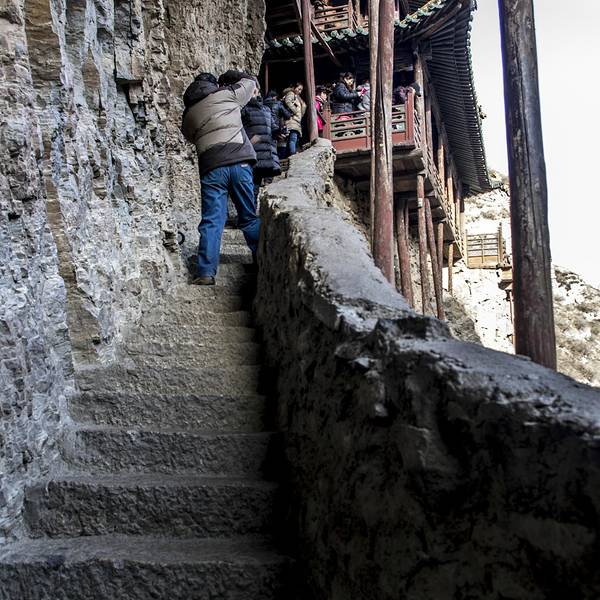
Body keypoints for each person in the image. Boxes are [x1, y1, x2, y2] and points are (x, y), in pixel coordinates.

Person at [181, 70, 260, 285]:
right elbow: (250, 82)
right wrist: (231, 75)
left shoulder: (188, 115)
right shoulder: (227, 94)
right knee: (248, 217)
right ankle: (262, 263)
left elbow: (190, 136)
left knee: (212, 221)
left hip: (211, 167)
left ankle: (206, 273)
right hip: (239, 161)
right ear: (214, 85)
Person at [241, 87, 281, 202]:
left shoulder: (266, 109)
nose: (254, 93)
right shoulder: (243, 109)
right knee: (249, 187)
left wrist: (280, 130)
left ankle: (251, 211)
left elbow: (273, 128)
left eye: (256, 90)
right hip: (249, 153)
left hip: (263, 153)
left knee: (255, 188)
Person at [264, 90, 292, 159]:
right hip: (275, 128)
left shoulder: (262, 104)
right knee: (279, 145)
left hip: (265, 128)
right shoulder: (277, 104)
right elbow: (287, 115)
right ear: (274, 97)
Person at [282, 82, 306, 156]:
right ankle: (293, 155)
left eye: (301, 90)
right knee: (293, 138)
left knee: (292, 139)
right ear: (294, 87)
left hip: (295, 120)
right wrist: (295, 111)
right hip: (292, 120)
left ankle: (289, 155)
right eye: (299, 89)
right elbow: (287, 101)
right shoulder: (291, 93)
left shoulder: (297, 97)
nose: (300, 91)